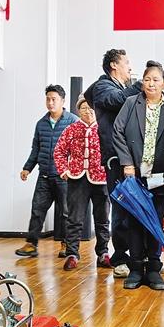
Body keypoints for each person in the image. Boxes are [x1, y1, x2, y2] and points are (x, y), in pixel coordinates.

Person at [112, 61, 164, 290]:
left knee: (155, 220)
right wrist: (127, 163)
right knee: (135, 221)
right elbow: (117, 131)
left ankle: (154, 269)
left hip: (161, 175)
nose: (151, 84)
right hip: (135, 175)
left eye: (156, 80)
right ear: (142, 83)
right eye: (147, 79)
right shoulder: (131, 103)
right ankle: (136, 268)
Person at [84, 49, 142, 276]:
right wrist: (141, 84)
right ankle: (120, 258)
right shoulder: (103, 87)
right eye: (126, 62)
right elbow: (116, 100)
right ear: (114, 65)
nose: (130, 67)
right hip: (116, 158)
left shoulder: (119, 86)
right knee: (120, 208)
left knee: (132, 208)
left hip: (130, 157)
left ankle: (136, 256)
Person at [16, 84, 79, 258]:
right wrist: (27, 168)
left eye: (54, 99)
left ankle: (66, 245)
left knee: (66, 212)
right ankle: (31, 244)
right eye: (48, 99)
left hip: (64, 177)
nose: (50, 103)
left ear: (62, 101)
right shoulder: (41, 123)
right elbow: (36, 149)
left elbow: (77, 151)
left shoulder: (73, 121)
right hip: (44, 175)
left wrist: (71, 170)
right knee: (37, 210)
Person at [54, 97, 112, 271]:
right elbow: (59, 151)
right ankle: (72, 254)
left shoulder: (104, 128)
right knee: (74, 218)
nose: (88, 111)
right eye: (84, 108)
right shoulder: (71, 129)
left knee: (102, 218)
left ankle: (103, 253)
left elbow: (113, 150)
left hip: (101, 179)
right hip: (77, 179)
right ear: (78, 111)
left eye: (91, 108)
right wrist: (64, 170)